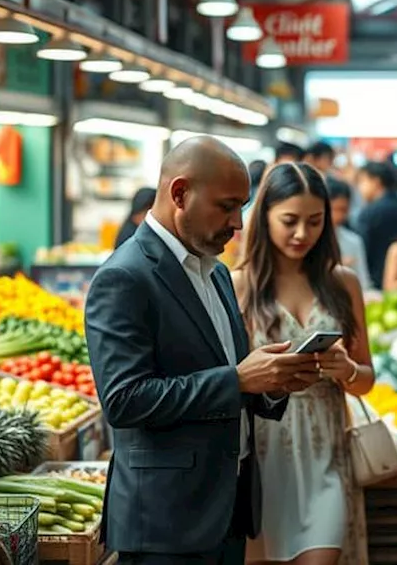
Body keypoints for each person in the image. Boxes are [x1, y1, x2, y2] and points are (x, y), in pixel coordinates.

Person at [85, 136, 320, 565]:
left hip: (225, 509)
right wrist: (239, 379)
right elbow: (124, 400)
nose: (238, 224)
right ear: (180, 193)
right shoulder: (125, 277)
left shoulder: (217, 275)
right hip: (166, 522)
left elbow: (234, 376)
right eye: (227, 206)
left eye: (242, 208)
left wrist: (273, 382)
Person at [234, 162, 373, 565]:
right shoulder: (239, 284)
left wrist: (345, 368)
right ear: (264, 217)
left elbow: (366, 379)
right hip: (262, 451)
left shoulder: (342, 282)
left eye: (315, 222)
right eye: (289, 221)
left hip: (325, 448)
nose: (301, 234)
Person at [354, 161, 397, 289]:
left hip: (375, 280)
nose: (360, 188)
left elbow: (363, 249)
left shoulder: (369, 212)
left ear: (375, 181)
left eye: (362, 182)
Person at [326, 177, 375, 292]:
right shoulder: (310, 239)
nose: (339, 216)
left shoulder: (353, 241)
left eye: (344, 210)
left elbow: (363, 282)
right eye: (335, 209)